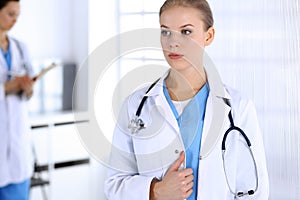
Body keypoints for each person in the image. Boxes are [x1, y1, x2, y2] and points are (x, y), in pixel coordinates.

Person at [105, 0, 269, 199]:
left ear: (209, 36)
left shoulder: (238, 107)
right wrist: (155, 191)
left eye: (186, 32)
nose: (173, 42)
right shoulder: (136, 105)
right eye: (165, 31)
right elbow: (114, 185)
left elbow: (254, 189)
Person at [0, 0, 34, 199]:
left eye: (18, 15)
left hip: (18, 147)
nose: (15, 20)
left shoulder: (21, 48)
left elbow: (29, 95)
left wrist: (27, 89)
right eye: (10, 14)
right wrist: (6, 88)